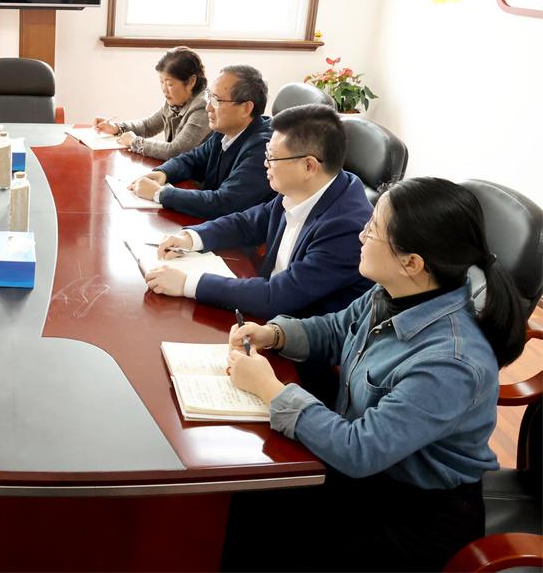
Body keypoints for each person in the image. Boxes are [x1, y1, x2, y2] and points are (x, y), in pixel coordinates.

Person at [222, 177, 527, 571]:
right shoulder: (400, 290)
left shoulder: (450, 362)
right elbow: (336, 329)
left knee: (263, 529)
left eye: (374, 228)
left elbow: (359, 450)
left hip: (411, 514)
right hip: (369, 476)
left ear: (412, 262)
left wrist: (270, 389)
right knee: (247, 502)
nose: (361, 234)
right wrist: (275, 334)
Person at [145, 104, 372, 318]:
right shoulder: (304, 187)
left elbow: (278, 296)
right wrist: (190, 238)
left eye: (272, 157)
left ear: (308, 166)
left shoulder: (347, 227)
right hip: (267, 313)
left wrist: (187, 283)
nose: (265, 164)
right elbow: (248, 223)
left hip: (295, 331)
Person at [129, 64, 274, 218]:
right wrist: (163, 173)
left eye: (217, 100)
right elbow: (191, 160)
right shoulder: (224, 132)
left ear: (246, 108)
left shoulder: (264, 148)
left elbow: (224, 203)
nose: (208, 107)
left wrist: (160, 193)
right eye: (209, 97)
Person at [93, 46, 211, 160]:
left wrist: (134, 142)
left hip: (197, 174)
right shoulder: (177, 101)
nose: (164, 89)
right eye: (161, 82)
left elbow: (175, 151)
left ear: (191, 81)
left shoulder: (203, 108)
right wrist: (116, 128)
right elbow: (148, 126)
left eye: (169, 84)